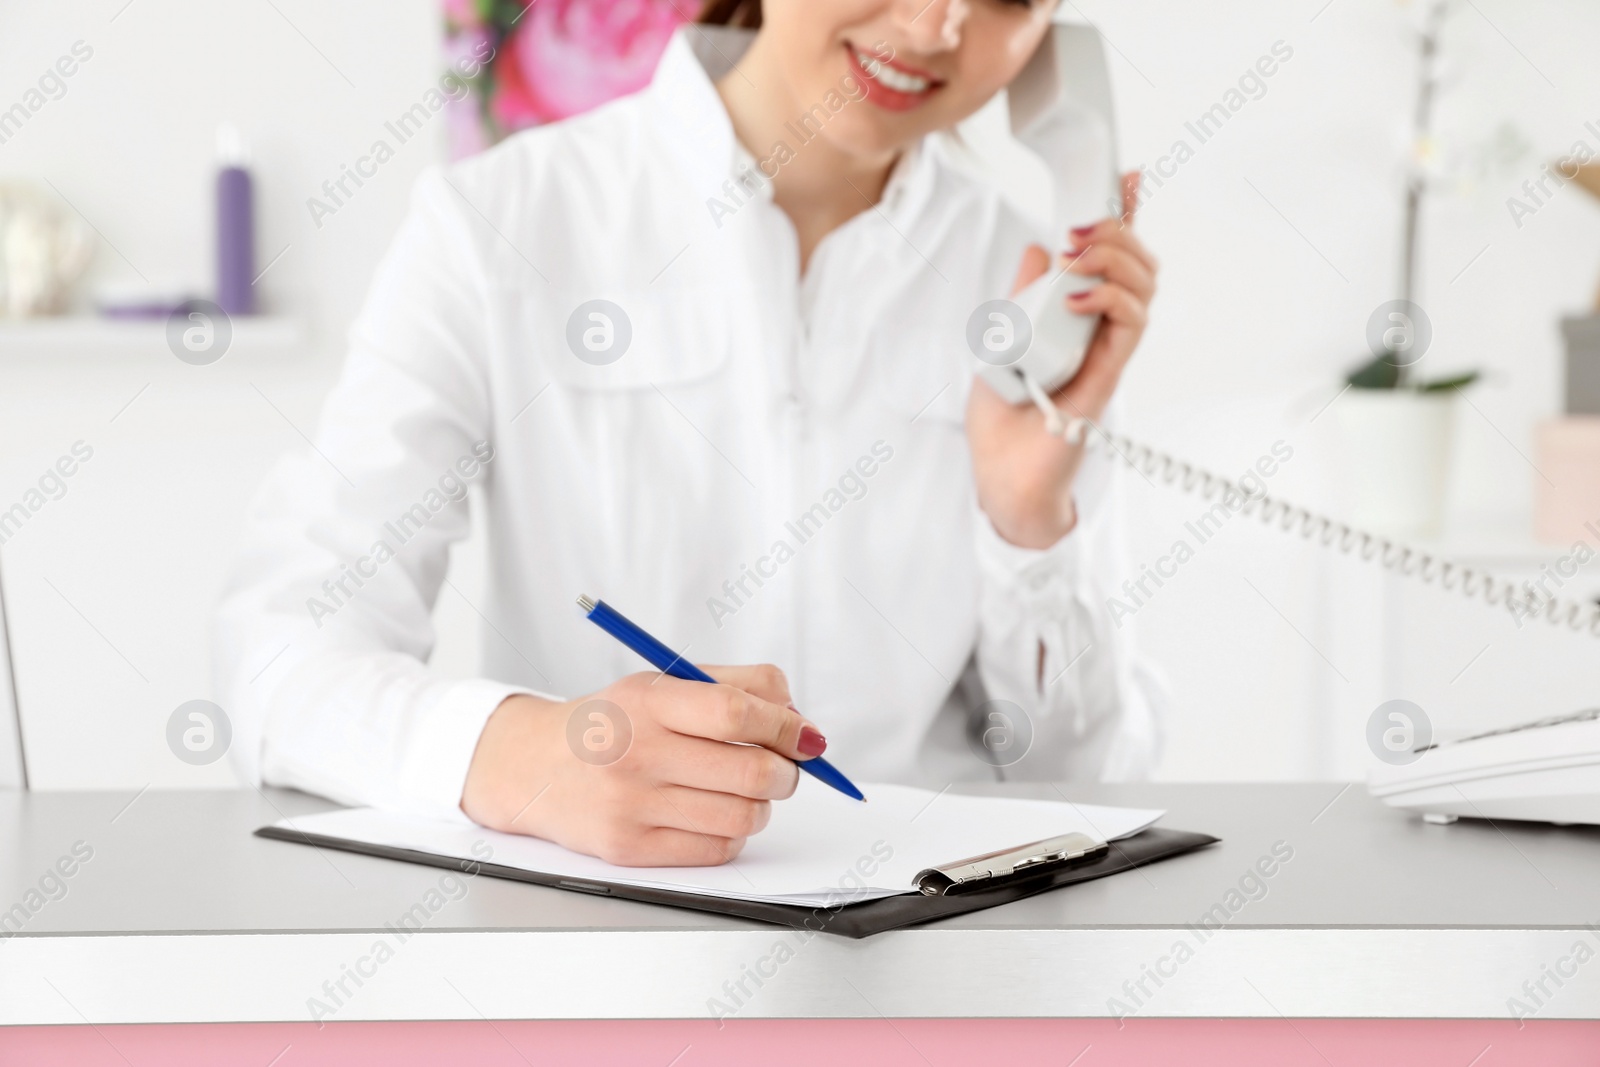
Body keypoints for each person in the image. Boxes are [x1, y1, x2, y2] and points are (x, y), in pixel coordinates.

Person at [214, 0, 1164, 868]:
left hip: (946, 956)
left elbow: (1093, 774)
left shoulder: (1030, 293)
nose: (933, 25)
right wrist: (520, 755)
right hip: (597, 956)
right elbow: (279, 656)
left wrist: (1027, 521)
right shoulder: (494, 223)